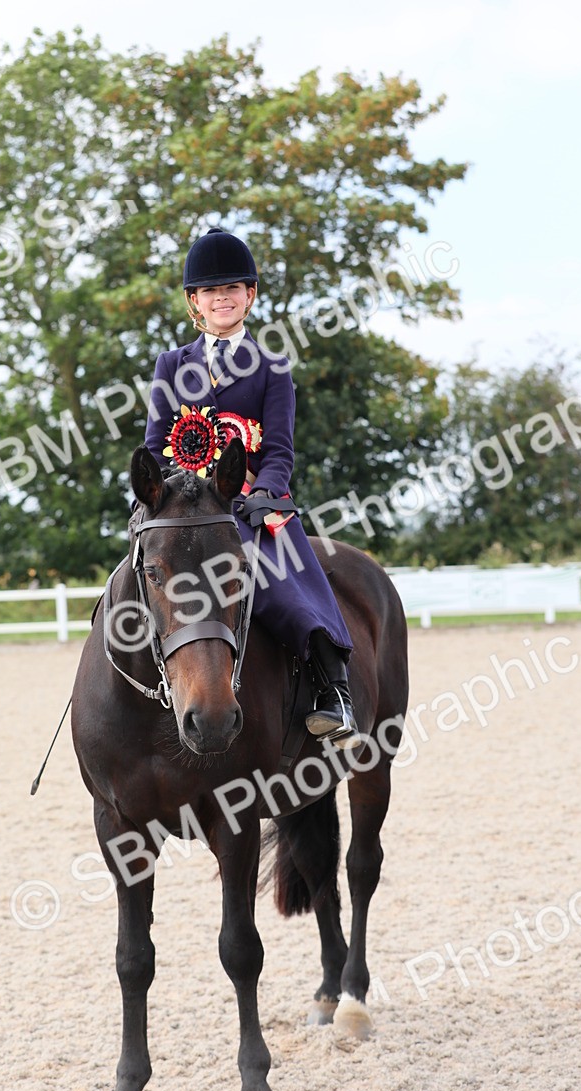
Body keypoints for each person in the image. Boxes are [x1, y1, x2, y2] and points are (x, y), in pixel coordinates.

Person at [144, 226, 359, 749]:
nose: (222, 298)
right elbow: (154, 445)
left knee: (288, 586)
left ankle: (333, 688)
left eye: (233, 289)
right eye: (211, 292)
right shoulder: (172, 365)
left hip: (248, 506)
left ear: (250, 296)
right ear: (195, 302)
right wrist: (162, 499)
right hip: (183, 510)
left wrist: (264, 494)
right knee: (141, 579)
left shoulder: (272, 367)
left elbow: (280, 448)